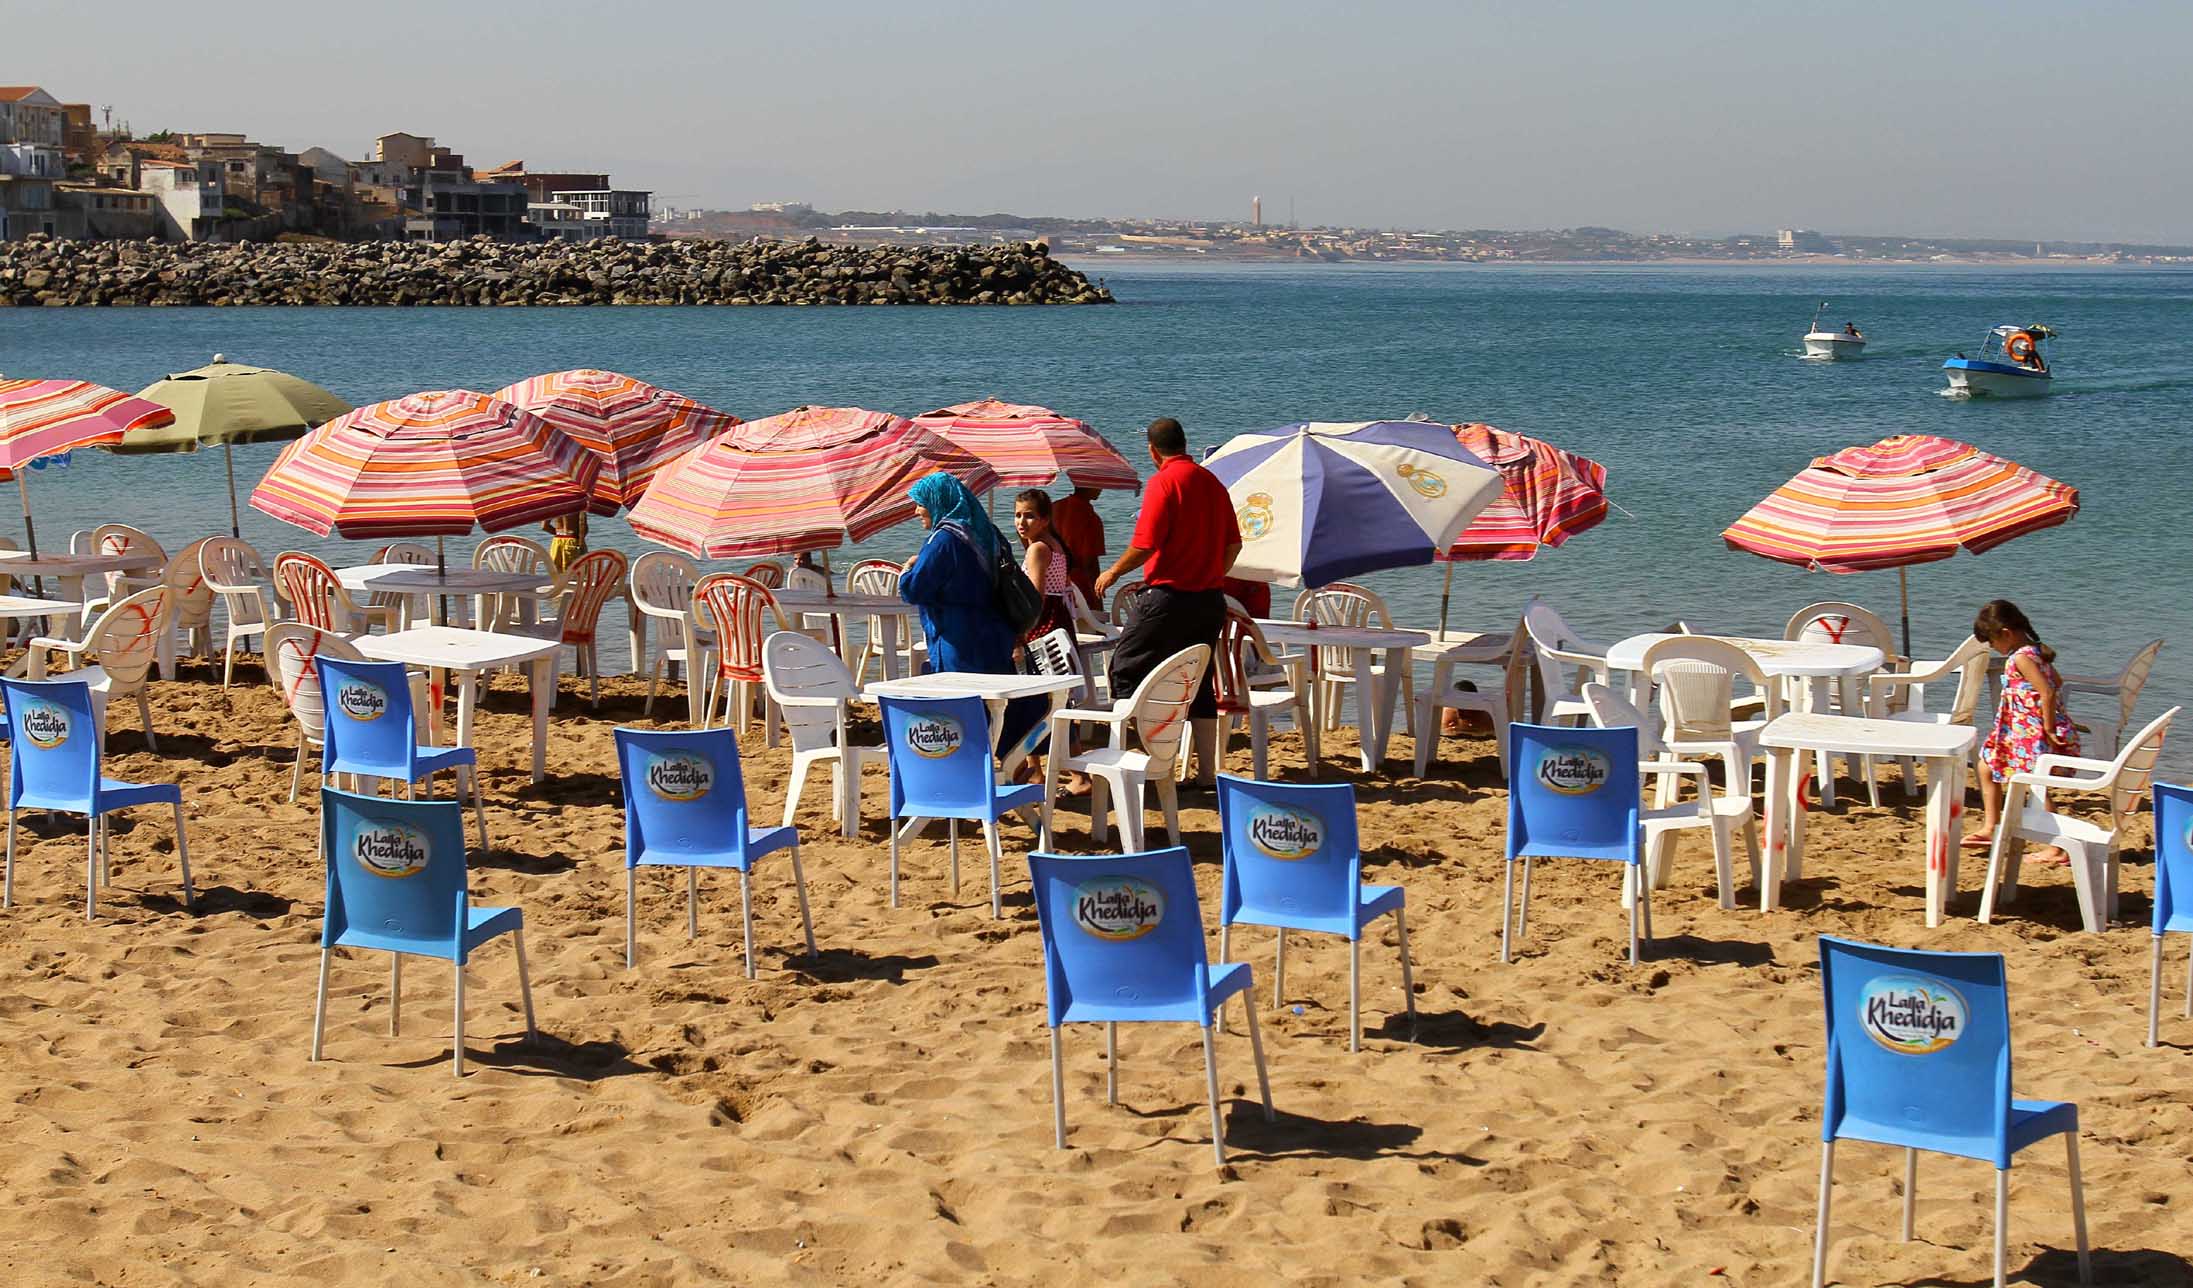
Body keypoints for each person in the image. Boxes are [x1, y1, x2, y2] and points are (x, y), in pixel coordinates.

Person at [1094, 417, 1241, 786]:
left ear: (1152, 451)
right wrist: (1212, 576)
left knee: (1125, 668)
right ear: (1184, 443)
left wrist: (1112, 572)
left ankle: (1136, 759)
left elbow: (1146, 545)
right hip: (1208, 600)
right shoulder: (1212, 481)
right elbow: (1234, 544)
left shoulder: (1164, 481)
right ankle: (1206, 773)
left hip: (1168, 597)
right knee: (1199, 680)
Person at [898, 472, 1044, 759]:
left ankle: (972, 770)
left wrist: (906, 571)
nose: (916, 511)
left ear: (938, 501)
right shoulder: (986, 531)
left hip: (959, 639)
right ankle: (1009, 764)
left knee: (962, 714)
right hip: (994, 634)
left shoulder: (944, 539)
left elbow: (916, 589)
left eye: (921, 503)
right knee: (995, 709)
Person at [1970, 599, 2078, 858]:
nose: (1993, 647)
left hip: (2029, 732)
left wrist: (2049, 727)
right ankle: (1990, 825)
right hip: (2015, 730)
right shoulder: (2034, 652)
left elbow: (2048, 691)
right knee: (1986, 765)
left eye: (1992, 641)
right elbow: (2057, 680)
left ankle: (2058, 844)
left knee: (2034, 784)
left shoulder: (2021, 657)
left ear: (2005, 633)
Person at [1012, 490, 1075, 644]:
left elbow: (1036, 595)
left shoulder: (1038, 549)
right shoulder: (1055, 544)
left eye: (1029, 516)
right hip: (1059, 615)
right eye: (1018, 515)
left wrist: (1022, 632)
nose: (1021, 522)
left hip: (1043, 619)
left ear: (1045, 520)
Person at [1050, 481, 1107, 612]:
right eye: (1097, 484)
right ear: (1087, 484)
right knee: (1091, 626)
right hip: (1078, 585)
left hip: (1052, 580)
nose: (1101, 488)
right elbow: (1090, 563)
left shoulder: (1053, 507)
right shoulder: (1091, 518)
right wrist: (1097, 598)